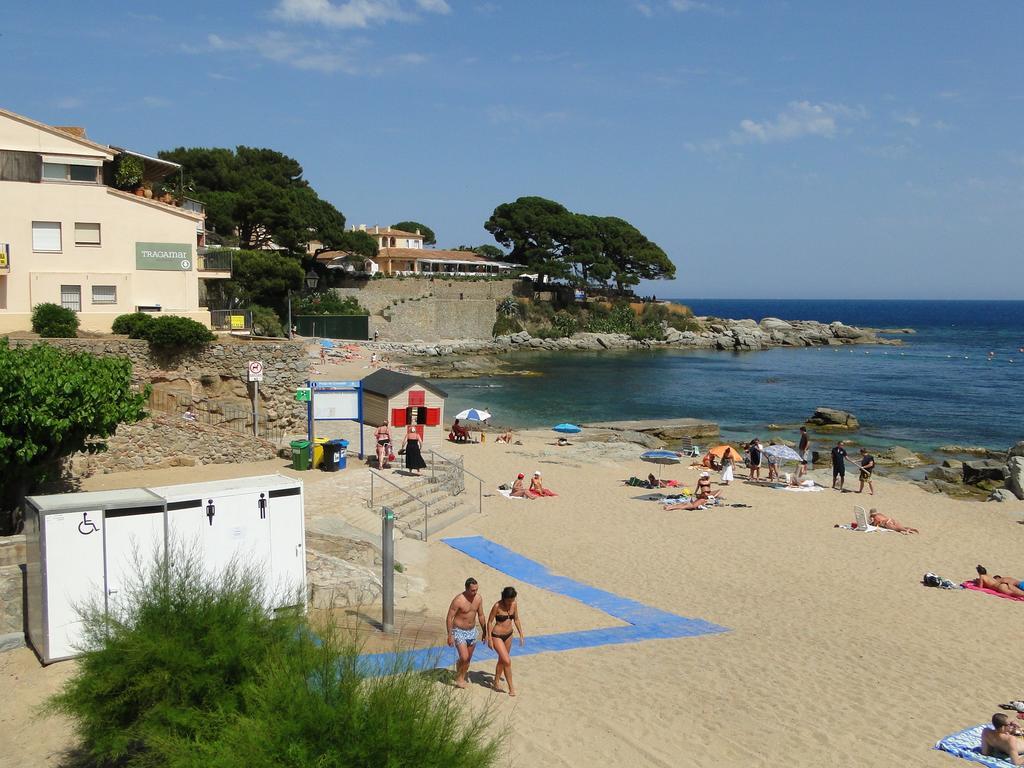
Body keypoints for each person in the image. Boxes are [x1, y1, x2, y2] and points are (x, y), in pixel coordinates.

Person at [446, 578, 488, 689]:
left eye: (476, 590)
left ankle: (461, 675)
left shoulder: (478, 598)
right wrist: (450, 635)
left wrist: (485, 631)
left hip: (472, 631)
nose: (475, 592)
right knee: (464, 657)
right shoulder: (459, 600)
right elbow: (450, 617)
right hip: (459, 631)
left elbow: (481, 615)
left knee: (468, 659)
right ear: (466, 589)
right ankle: (459, 678)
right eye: (472, 590)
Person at [486, 586, 525, 696]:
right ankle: (511, 688)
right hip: (497, 636)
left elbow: (516, 619)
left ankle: (496, 681)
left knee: (502, 660)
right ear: (504, 598)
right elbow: (489, 622)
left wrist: (521, 634)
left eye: (512, 600)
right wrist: (489, 638)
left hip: (509, 635)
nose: (510, 602)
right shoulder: (497, 606)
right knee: (507, 661)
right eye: (509, 600)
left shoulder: (514, 604)